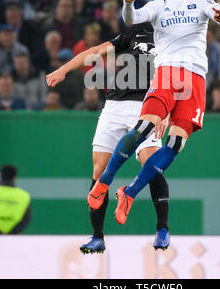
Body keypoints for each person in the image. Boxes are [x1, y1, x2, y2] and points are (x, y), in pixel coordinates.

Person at [88, 0, 220, 226]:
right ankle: (105, 181)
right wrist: (128, 3)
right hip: (166, 74)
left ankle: (129, 192)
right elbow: (131, 19)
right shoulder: (158, 6)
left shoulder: (201, 1)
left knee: (176, 144)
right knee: (144, 127)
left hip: (195, 79)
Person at [46, 25, 172, 254]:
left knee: (152, 164)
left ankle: (162, 229)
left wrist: (167, 111)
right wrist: (63, 70)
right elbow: (96, 50)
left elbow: (177, 77)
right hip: (114, 106)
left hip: (149, 106)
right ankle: (97, 237)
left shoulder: (175, 35)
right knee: (98, 169)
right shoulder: (135, 32)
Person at [0, 165, 31, 235]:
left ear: (1, 175)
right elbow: (26, 219)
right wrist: (10, 235)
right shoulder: (23, 196)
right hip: (12, 241)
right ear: (15, 177)